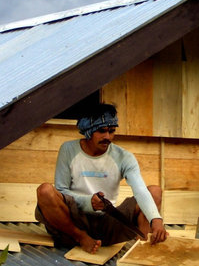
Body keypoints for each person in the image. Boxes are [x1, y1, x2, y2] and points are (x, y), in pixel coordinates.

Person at [36, 103, 169, 253]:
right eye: (102, 131)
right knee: (45, 191)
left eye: (111, 131)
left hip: (109, 222)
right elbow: (61, 190)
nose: (108, 137)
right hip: (75, 222)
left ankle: (143, 250)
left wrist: (156, 219)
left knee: (155, 191)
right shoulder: (68, 150)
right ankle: (81, 238)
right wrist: (88, 202)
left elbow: (141, 191)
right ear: (88, 131)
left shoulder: (124, 157)